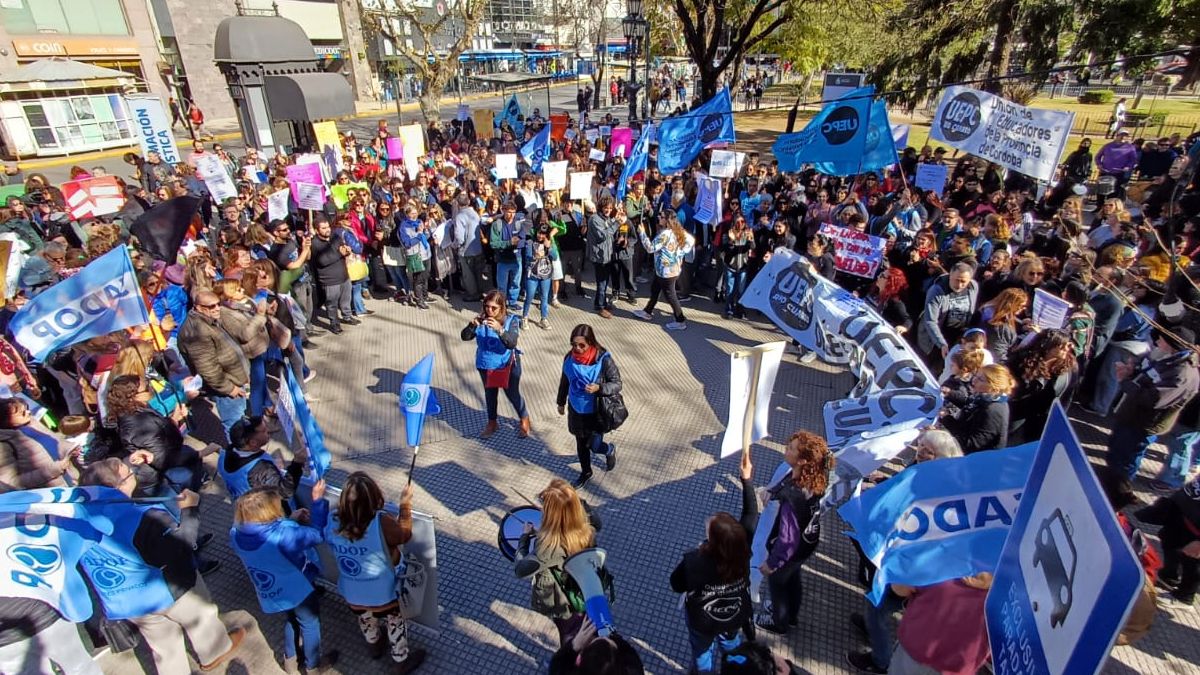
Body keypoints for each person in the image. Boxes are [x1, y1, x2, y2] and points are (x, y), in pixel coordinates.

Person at [79, 458, 245, 674]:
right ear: (116, 487)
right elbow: (182, 545)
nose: (133, 474)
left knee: (162, 646)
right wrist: (190, 510)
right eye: (129, 474)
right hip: (168, 587)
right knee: (201, 616)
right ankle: (215, 651)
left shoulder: (78, 519)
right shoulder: (144, 517)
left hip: (126, 599)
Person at [231, 480, 339, 673]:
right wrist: (317, 502)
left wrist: (290, 520)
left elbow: (269, 531)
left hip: (272, 590)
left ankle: (290, 659)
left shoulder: (236, 533)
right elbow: (316, 535)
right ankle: (312, 666)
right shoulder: (284, 534)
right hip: (298, 588)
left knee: (291, 619)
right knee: (310, 623)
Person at [326, 472, 427, 673]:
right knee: (395, 622)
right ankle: (400, 660)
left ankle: (374, 645)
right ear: (374, 497)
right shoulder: (381, 521)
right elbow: (404, 535)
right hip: (386, 593)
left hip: (352, 591)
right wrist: (405, 505)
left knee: (365, 618)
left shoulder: (333, 519)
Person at [671, 450, 757, 671]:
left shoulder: (695, 562)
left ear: (713, 542)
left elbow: (676, 584)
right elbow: (751, 515)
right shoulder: (743, 546)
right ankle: (734, 667)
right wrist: (746, 480)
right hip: (734, 614)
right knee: (731, 645)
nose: (707, 522)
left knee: (701, 653)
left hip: (703, 620)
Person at [755, 431, 832, 634]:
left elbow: (787, 540)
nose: (786, 449)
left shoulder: (793, 498)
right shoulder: (814, 476)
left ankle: (779, 621)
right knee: (793, 578)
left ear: (803, 460)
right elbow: (787, 480)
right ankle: (792, 615)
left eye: (791, 448)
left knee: (778, 582)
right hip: (808, 540)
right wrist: (772, 492)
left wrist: (772, 564)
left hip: (793, 548)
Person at [513, 479, 602, 646]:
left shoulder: (549, 547)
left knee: (568, 634)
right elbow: (596, 524)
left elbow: (520, 569)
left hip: (562, 600)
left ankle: (570, 660)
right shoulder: (585, 522)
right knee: (583, 626)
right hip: (585, 587)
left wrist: (524, 538)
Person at [1107, 327, 1200, 481]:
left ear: (1172, 345)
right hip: (1131, 415)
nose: (1157, 342)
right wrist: (1132, 370)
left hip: (1143, 424)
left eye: (1161, 340)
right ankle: (1110, 479)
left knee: (1125, 459)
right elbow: (1146, 368)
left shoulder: (1182, 374)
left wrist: (1125, 381)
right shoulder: (1166, 357)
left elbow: (1155, 399)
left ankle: (1118, 489)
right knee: (1116, 450)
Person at [557, 324, 623, 488]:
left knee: (594, 445)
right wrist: (561, 402)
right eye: (574, 345)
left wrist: (599, 388)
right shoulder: (569, 358)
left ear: (591, 343)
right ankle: (586, 472)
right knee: (581, 444)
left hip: (596, 412)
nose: (577, 349)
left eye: (582, 345)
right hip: (576, 410)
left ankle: (608, 450)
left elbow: (617, 384)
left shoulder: (603, 360)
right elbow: (565, 381)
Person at [887, 574, 993, 674]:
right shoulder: (1006, 584)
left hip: (915, 651)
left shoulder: (943, 558)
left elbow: (900, 588)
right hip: (958, 666)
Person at [461, 289, 531, 439]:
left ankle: (524, 418)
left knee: (512, 393)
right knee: (490, 394)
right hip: (485, 364)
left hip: (507, 365)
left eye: (494, 308)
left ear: (502, 308)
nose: (489, 310)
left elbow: (511, 343)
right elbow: (465, 337)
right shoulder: (481, 320)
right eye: (487, 306)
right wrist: (472, 326)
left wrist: (500, 330)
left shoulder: (511, 321)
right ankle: (492, 422)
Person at [218, 414, 309, 502]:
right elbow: (284, 492)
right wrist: (297, 463)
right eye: (264, 431)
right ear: (253, 443)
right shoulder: (260, 469)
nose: (268, 431)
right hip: (265, 513)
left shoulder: (224, 456)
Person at [0, 397, 78, 493]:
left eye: (26, 409)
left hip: (69, 480)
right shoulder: (5, 443)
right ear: (4, 419)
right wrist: (53, 470)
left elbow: (55, 441)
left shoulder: (31, 423)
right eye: (22, 413)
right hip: (49, 493)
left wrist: (70, 449)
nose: (28, 413)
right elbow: (11, 483)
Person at [632, 210, 693, 330]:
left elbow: (650, 248)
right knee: (655, 289)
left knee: (671, 296)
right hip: (669, 270)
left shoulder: (665, 234)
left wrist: (642, 233)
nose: (659, 217)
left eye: (662, 216)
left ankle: (680, 320)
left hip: (666, 272)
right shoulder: (679, 231)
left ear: (667, 220)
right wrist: (679, 254)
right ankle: (647, 311)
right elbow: (691, 241)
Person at [941, 364, 1015, 454]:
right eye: (976, 376)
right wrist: (950, 393)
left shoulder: (993, 410)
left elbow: (973, 444)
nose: (974, 380)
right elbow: (969, 402)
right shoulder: (985, 397)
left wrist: (947, 419)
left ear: (993, 387)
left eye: (980, 379)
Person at [917, 262, 979, 369]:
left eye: (963, 282)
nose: (959, 285)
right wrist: (941, 343)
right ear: (950, 275)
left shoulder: (973, 287)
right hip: (934, 340)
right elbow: (930, 320)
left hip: (957, 337)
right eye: (956, 280)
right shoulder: (937, 290)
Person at [547, 616, 645, 675]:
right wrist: (615, 639)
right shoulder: (634, 670)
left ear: (579, 660)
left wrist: (574, 645)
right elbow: (631, 656)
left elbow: (556, 667)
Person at [310, 217, 358, 334]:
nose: (327, 230)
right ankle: (334, 323)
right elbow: (322, 261)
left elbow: (342, 248)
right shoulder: (314, 243)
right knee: (332, 303)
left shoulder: (335, 237)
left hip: (344, 276)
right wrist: (339, 254)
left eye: (328, 227)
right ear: (317, 230)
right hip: (329, 280)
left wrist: (347, 250)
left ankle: (347, 316)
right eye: (324, 228)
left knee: (346, 299)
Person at [523, 224, 559, 329]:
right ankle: (524, 317)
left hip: (545, 275)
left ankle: (544, 318)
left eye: (543, 234)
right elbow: (527, 258)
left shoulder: (550, 243)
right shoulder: (530, 243)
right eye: (539, 233)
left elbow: (555, 257)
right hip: (533, 275)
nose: (541, 236)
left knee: (544, 297)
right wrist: (535, 257)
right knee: (529, 296)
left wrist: (549, 248)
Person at [587, 198, 618, 319]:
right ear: (601, 207)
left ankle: (600, 302)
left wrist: (616, 219)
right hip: (599, 256)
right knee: (601, 282)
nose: (608, 210)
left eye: (610, 208)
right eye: (606, 208)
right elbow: (602, 236)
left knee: (604, 282)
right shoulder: (595, 219)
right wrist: (616, 223)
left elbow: (610, 229)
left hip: (607, 254)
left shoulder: (607, 218)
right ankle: (600, 307)